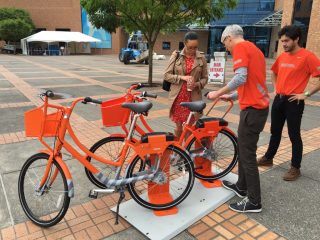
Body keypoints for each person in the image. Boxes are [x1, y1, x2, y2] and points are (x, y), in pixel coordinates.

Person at [207, 25, 269, 212]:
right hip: (256, 108)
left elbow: (241, 77)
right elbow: (251, 82)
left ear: (229, 38)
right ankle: (241, 187)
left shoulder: (241, 48)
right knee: (244, 151)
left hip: (253, 111)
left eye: (224, 43)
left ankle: (254, 201)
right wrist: (232, 96)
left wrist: (218, 92)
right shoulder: (255, 49)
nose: (226, 47)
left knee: (247, 156)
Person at [257, 25, 320, 181]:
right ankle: (268, 158)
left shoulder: (307, 56)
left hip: (294, 101)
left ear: (296, 39)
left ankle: (295, 168)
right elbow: (274, 71)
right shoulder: (283, 56)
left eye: (286, 41)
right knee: (275, 131)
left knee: (294, 134)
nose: (283, 44)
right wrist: (276, 89)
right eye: (282, 41)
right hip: (279, 99)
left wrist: (305, 94)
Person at [164, 31, 208, 138]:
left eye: (195, 47)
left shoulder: (201, 58)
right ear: (185, 44)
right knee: (179, 127)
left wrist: (196, 84)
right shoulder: (176, 56)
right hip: (178, 97)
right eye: (190, 47)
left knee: (189, 126)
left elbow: (205, 78)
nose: (193, 50)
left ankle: (186, 151)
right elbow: (167, 75)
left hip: (193, 98)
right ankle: (178, 149)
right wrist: (182, 77)